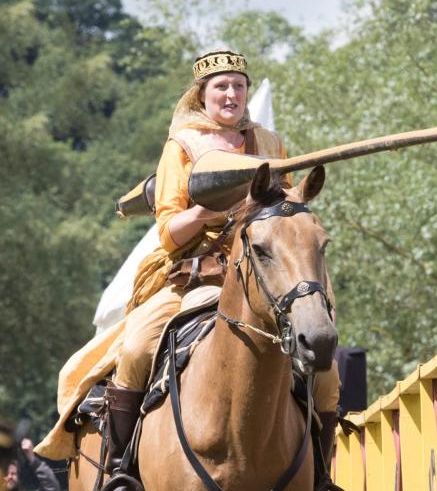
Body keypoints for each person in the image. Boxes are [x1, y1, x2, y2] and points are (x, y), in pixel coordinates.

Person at [96, 50, 341, 491]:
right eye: (221, 87)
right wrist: (208, 212)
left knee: (326, 373)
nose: (231, 94)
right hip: (195, 278)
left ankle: (322, 475)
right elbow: (168, 230)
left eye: (238, 86)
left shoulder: (269, 143)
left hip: (263, 276)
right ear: (202, 95)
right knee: (134, 349)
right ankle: (120, 470)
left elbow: (282, 212)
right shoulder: (184, 146)